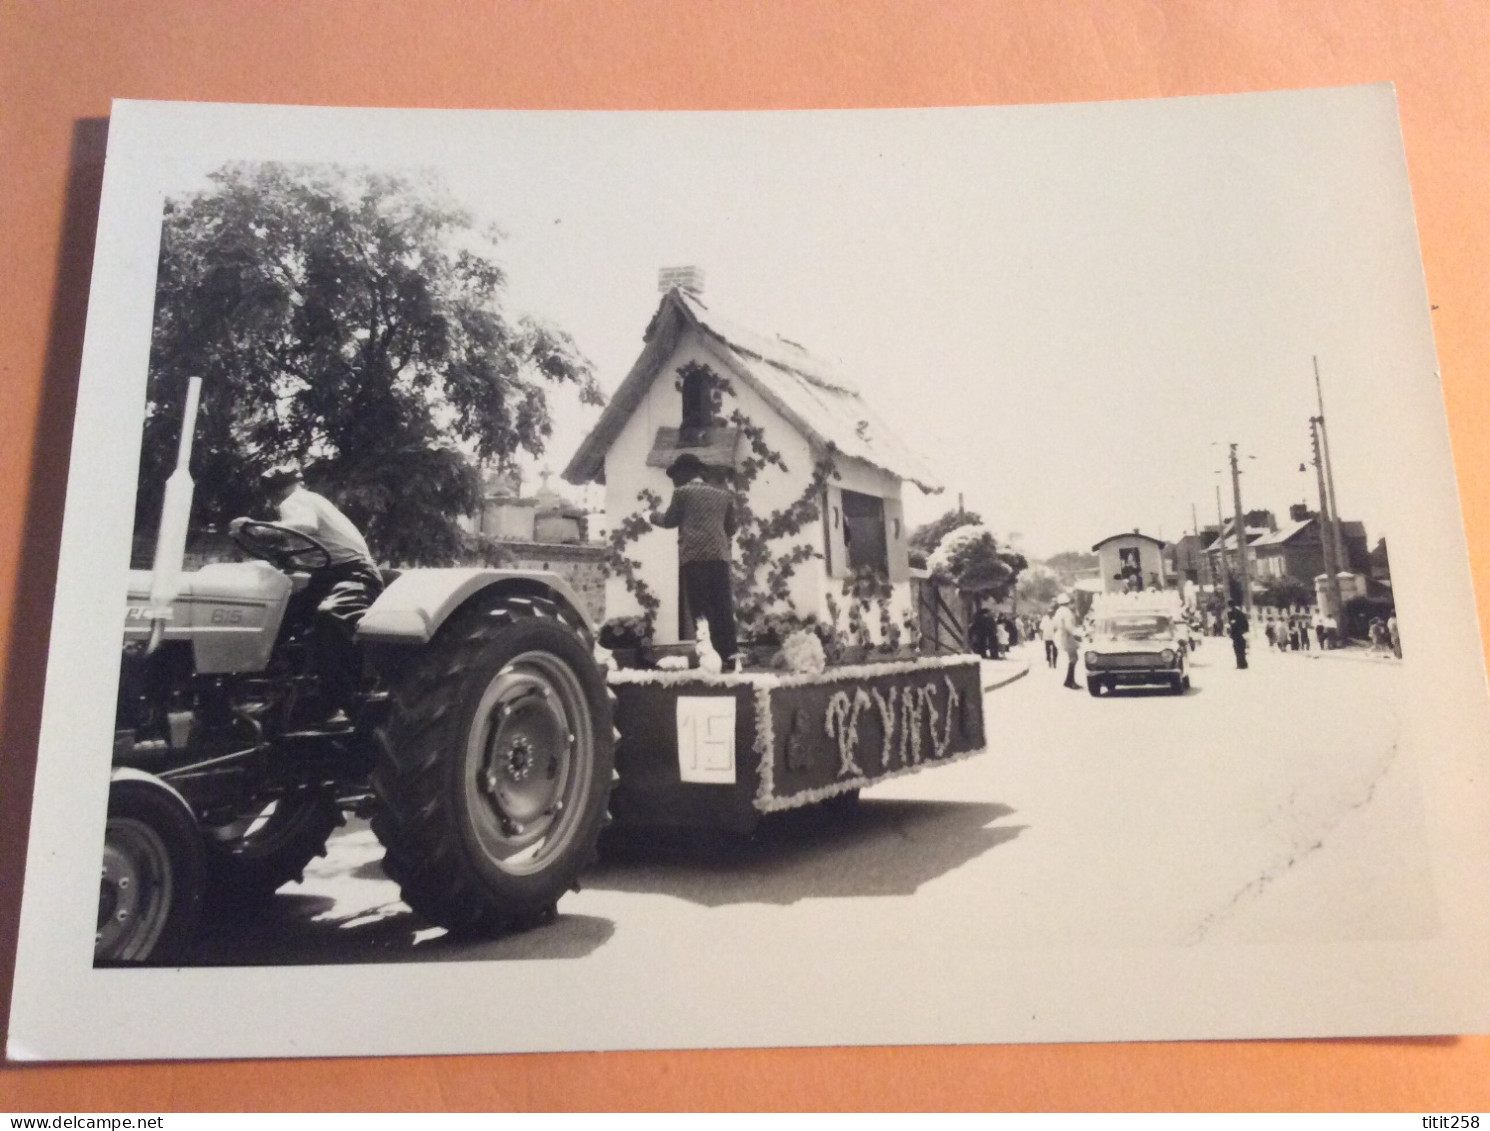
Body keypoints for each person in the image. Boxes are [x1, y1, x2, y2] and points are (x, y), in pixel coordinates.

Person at [235, 465, 384, 722]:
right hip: (324, 576)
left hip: (355, 575)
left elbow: (305, 526)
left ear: (279, 490)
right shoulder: (309, 500)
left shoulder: (296, 501)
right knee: (280, 619)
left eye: (273, 492)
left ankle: (341, 702)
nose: (273, 498)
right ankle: (275, 697)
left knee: (331, 616)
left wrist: (257, 529)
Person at [651, 453, 738, 663]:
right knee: (723, 606)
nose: (674, 481)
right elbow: (732, 528)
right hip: (719, 558)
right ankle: (730, 657)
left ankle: (709, 658)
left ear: (685, 474)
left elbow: (670, 520)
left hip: (694, 558)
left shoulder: (682, 493)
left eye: (675, 476)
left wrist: (651, 516)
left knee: (701, 609)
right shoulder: (723, 496)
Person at [1050, 593, 1083, 689]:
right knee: (1073, 658)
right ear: (1068, 602)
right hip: (1067, 636)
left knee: (1073, 658)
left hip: (1063, 636)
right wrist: (1077, 634)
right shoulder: (1067, 612)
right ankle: (1070, 681)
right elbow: (1069, 626)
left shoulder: (1059, 611)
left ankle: (1069, 680)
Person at [1226, 600, 1250, 669]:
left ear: (1230, 605)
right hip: (1241, 633)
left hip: (1236, 633)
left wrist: (1231, 631)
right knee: (1241, 649)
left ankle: (1240, 664)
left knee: (1237, 649)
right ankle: (1243, 664)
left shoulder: (1232, 613)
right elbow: (1245, 623)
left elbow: (1233, 623)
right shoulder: (1240, 612)